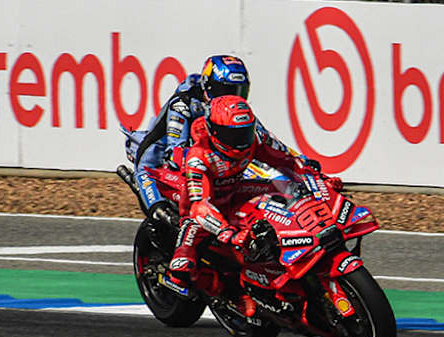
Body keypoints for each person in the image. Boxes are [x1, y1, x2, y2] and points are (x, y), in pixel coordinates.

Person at [158, 95, 341, 314]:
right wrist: (227, 232)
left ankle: (289, 250)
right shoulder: (199, 158)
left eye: (244, 132)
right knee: (183, 265)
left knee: (286, 191)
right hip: (203, 211)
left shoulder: (253, 141)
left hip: (235, 193)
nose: (239, 140)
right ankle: (213, 289)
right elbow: (199, 206)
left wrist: (317, 179)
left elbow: (287, 161)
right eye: (232, 134)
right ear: (214, 130)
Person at [131, 54, 314, 218]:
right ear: (208, 86)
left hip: (202, 159)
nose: (232, 97)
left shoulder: (231, 111)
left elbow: (266, 139)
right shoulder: (184, 104)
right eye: (225, 90)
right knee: (160, 211)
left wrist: (299, 160)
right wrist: (214, 163)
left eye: (239, 91)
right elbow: (176, 151)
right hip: (157, 163)